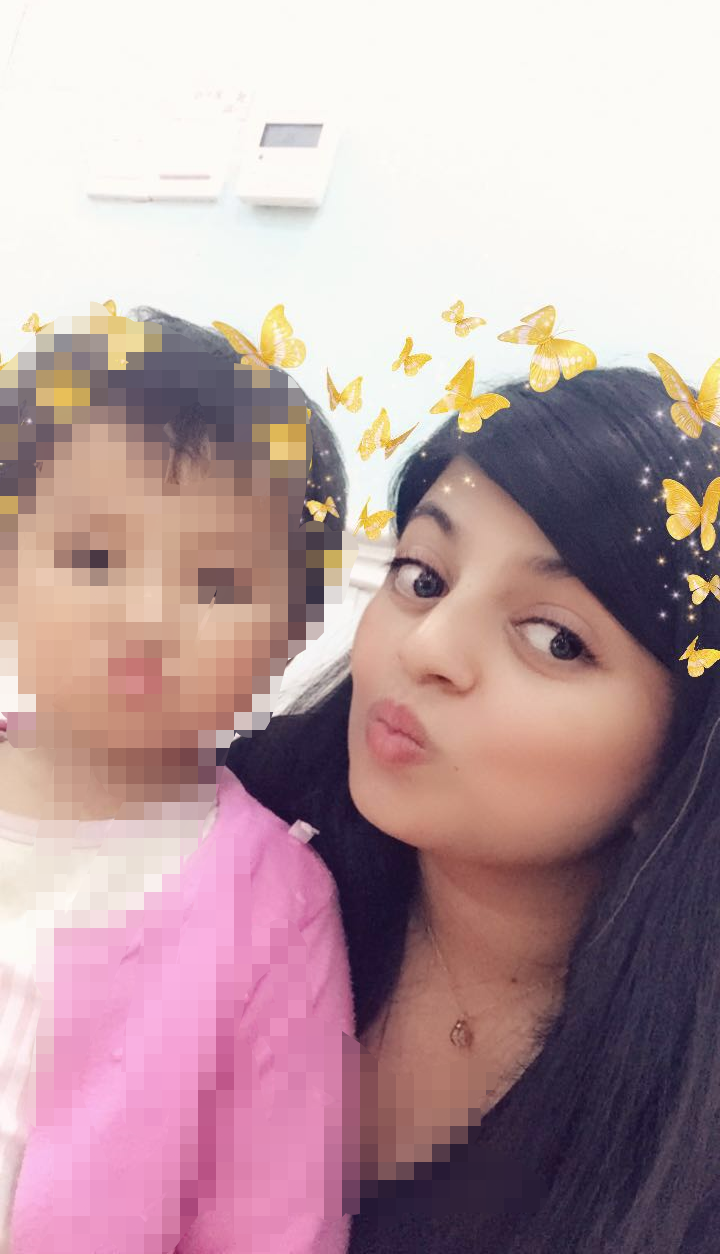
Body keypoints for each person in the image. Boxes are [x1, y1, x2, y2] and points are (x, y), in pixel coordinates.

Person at [227, 364, 720, 1253]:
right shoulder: (223, 833)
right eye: (423, 577)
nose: (429, 646)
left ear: (683, 760)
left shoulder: (684, 1134)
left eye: (554, 639)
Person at [0, 304, 356, 1253]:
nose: (148, 616)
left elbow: (276, 1220)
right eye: (93, 557)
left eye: (218, 584)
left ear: (291, 638)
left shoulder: (275, 908)